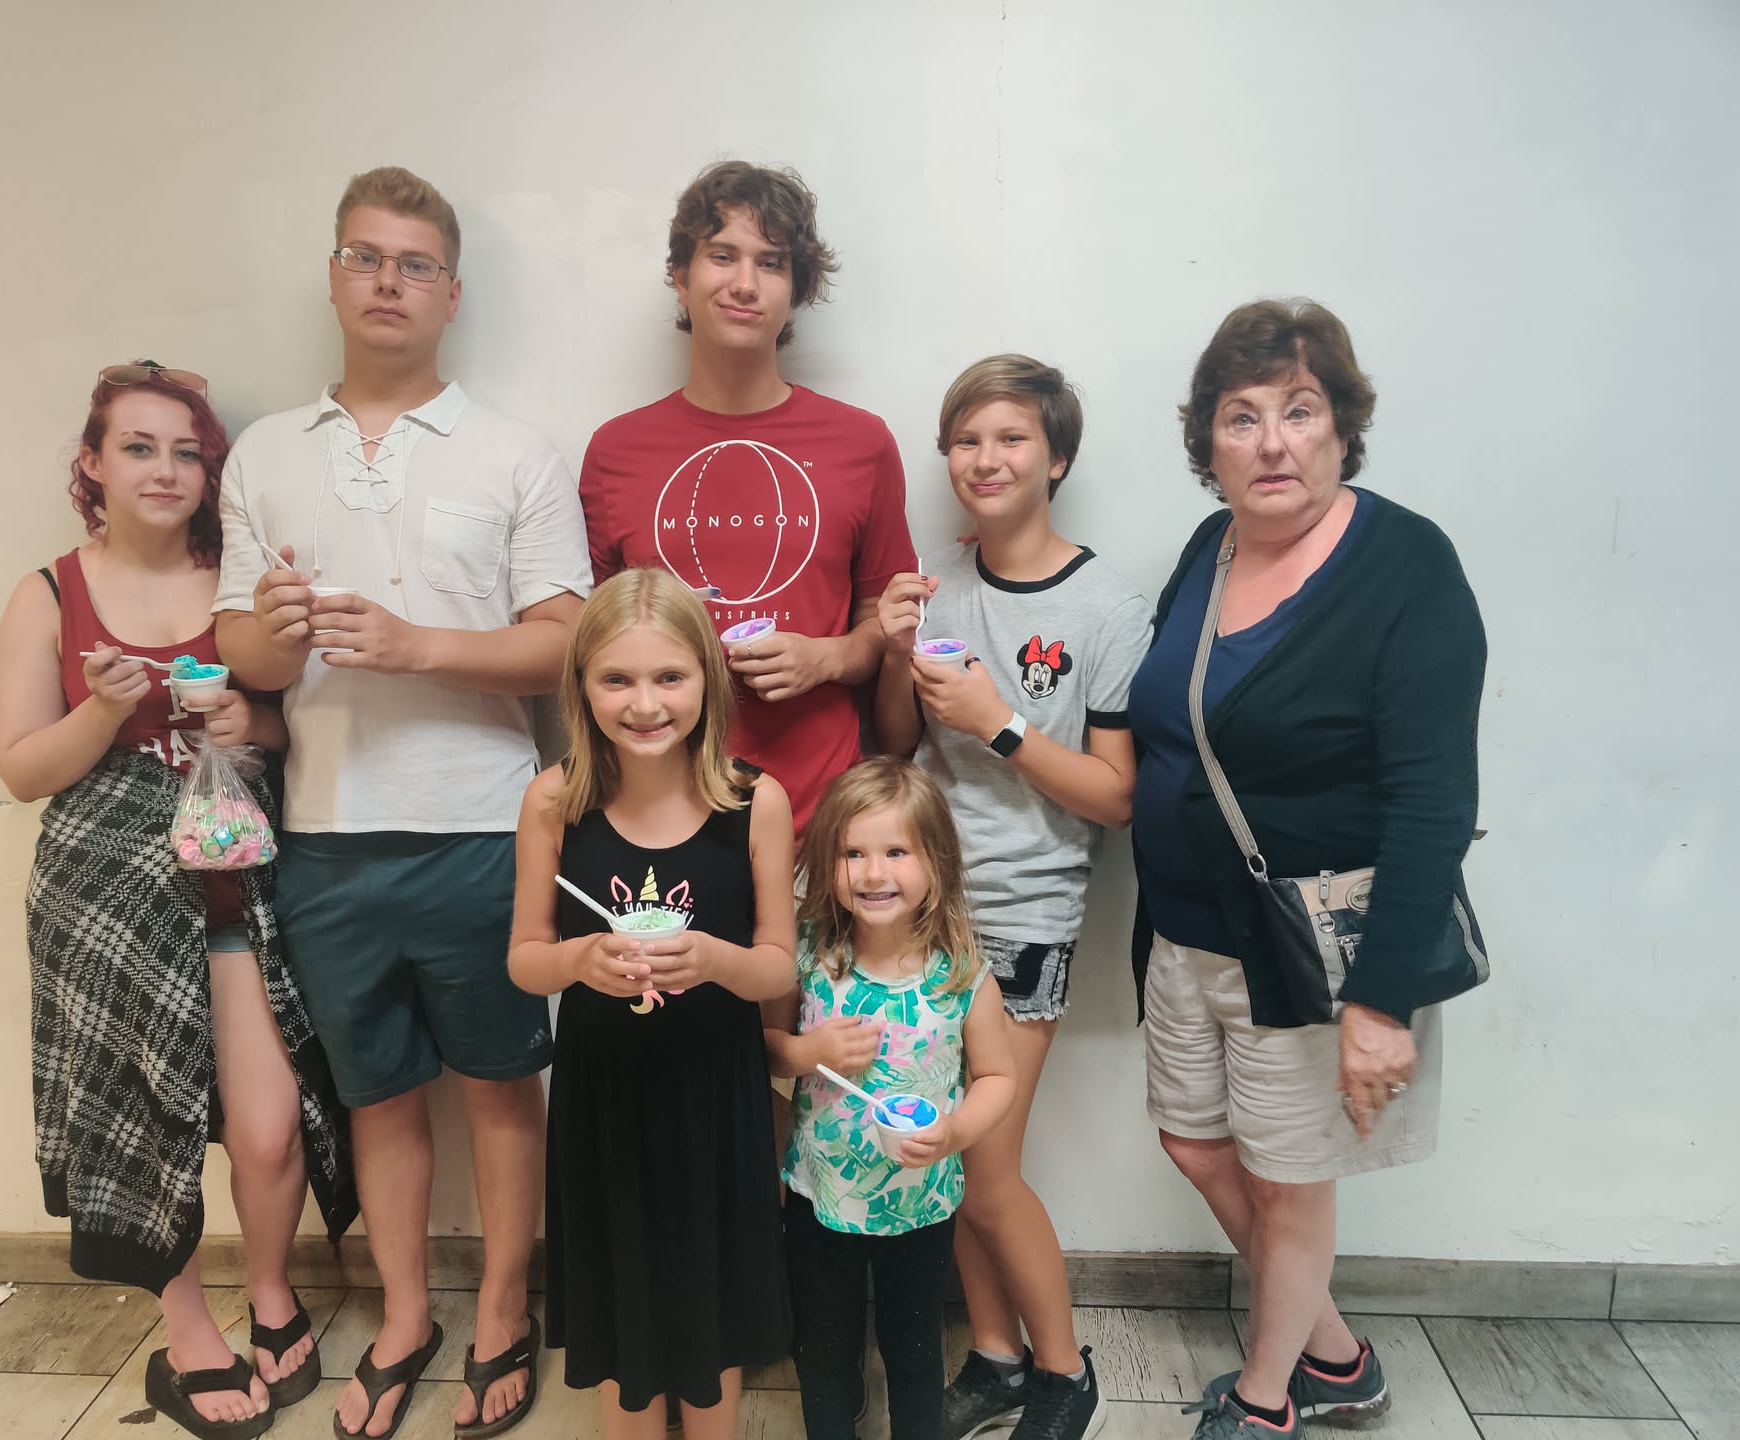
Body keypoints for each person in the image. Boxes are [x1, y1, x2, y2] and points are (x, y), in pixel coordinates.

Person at [212, 168, 592, 1439]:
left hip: (484, 829)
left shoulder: (514, 451)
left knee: (499, 1083)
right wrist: (269, 635)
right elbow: (240, 656)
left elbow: (567, 643)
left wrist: (418, 644)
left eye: (415, 263)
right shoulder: (267, 453)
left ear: (452, 293)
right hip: (323, 834)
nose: (388, 281)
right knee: (376, 1092)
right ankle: (406, 1317)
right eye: (366, 257)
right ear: (332, 276)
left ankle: (501, 1312)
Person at [1127, 300, 1486, 1439]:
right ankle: (1337, 1357)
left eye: (1300, 410)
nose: (1272, 442)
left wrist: (1381, 1001)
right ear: (1208, 440)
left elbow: (1435, 802)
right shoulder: (1212, 546)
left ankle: (1268, 1398)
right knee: (1195, 1143)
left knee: (1290, 1182)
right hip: (1184, 931)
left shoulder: (1408, 566)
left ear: (1342, 427)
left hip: (1312, 951)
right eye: (1242, 417)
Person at [0, 363, 355, 1440]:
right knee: (144, 1119)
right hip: (105, 897)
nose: (165, 470)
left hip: (236, 871)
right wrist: (101, 715)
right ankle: (188, 1327)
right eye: (139, 448)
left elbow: (292, 726)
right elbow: (21, 769)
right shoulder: (47, 593)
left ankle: (272, 1289)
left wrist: (253, 729)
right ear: (93, 465)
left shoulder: (234, 583)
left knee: (269, 1126)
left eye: (188, 451)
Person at [875, 356, 1152, 1440]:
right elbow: (898, 743)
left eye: (1011, 438)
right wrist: (894, 651)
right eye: (966, 440)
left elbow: (1117, 797)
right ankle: (993, 1359)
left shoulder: (1108, 608)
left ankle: (1064, 1372)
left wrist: (999, 723)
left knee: (985, 1169)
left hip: (1027, 914)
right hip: (923, 910)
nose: (984, 459)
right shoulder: (936, 586)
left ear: (1057, 458)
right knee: (940, 1158)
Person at [507, 568, 797, 1440]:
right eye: (616, 679)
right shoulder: (553, 799)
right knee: (621, 1311)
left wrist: (714, 960)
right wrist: (578, 959)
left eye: (669, 677)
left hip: (718, 1099)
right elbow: (525, 961)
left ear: (708, 677)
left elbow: (778, 970)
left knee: (713, 1312)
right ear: (581, 686)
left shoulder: (756, 802)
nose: (644, 704)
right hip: (603, 1100)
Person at [578, 159, 917, 836]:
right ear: (681, 278)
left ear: (795, 291)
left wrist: (825, 658)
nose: (744, 283)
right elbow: (592, 643)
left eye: (771, 262)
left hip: (822, 824)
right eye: (721, 255)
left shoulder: (862, 442)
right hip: (660, 825)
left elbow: (889, 618)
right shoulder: (616, 451)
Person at [768, 757, 1017, 1440]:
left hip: (920, 1205)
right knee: (822, 1352)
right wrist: (807, 1053)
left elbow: (997, 1077)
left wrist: (956, 1133)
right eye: (853, 853)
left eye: (896, 852)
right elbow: (765, 1048)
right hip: (819, 1198)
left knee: (913, 1356)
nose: (873, 873)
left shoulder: (963, 976)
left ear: (937, 861)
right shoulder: (809, 954)